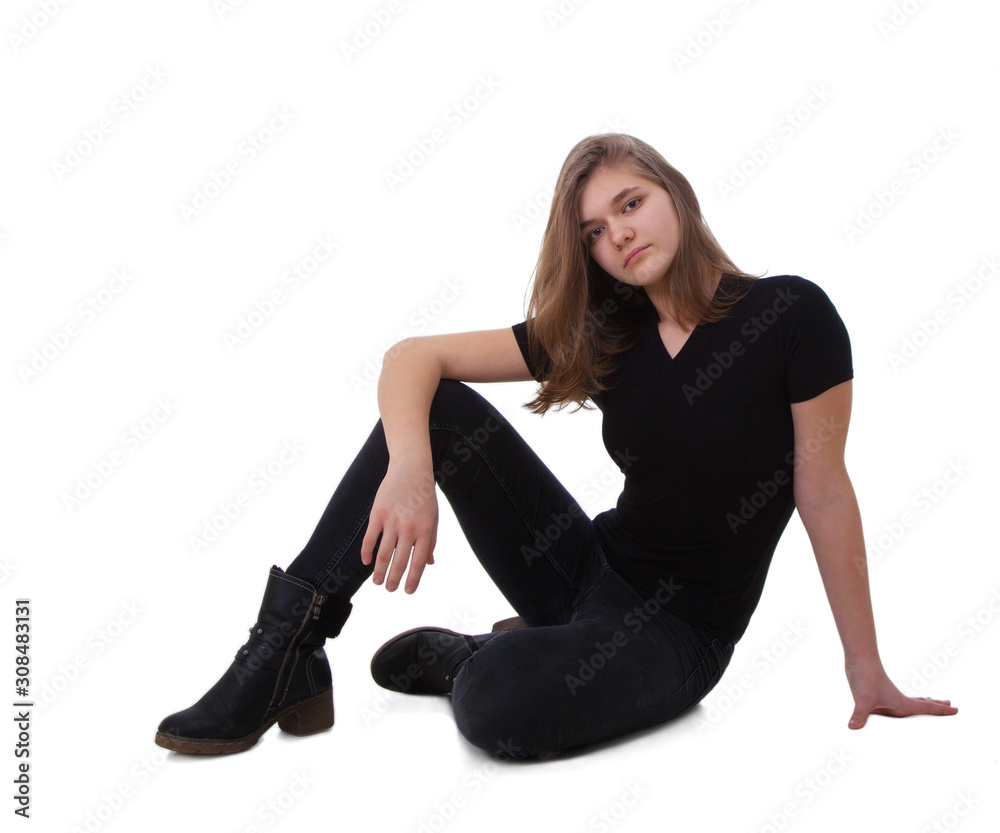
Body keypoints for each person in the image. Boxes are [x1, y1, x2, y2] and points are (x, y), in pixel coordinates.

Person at [154, 133, 957, 760]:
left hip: (678, 635)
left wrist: (866, 667)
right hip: (582, 568)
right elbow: (413, 358)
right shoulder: (604, 332)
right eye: (596, 232)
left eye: (631, 203)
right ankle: (284, 649)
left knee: (497, 708)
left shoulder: (792, 316)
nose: (620, 235)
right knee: (438, 409)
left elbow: (824, 491)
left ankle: (481, 656)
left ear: (675, 192)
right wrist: (410, 470)